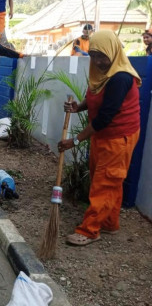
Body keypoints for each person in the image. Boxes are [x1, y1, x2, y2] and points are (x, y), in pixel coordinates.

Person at [58, 30, 141, 246]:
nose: (98, 61)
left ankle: (89, 230)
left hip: (118, 137)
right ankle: (109, 223)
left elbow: (105, 116)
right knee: (107, 179)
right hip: (103, 135)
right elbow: (94, 96)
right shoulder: (101, 73)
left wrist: (74, 141)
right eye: (93, 55)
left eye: (102, 55)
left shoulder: (120, 77)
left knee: (105, 182)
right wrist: (78, 107)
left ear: (113, 52)